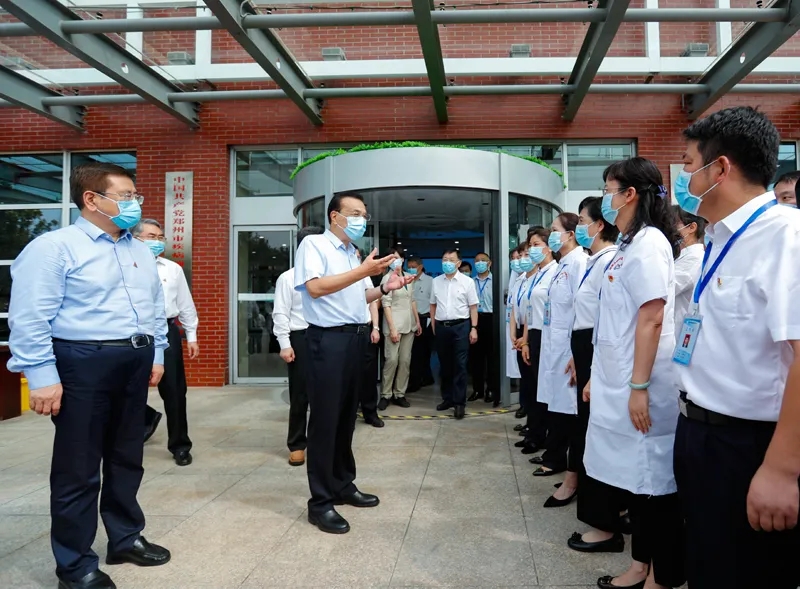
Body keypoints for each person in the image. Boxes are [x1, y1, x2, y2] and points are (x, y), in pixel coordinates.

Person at [7, 162, 171, 589]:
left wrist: (157, 353)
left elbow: (154, 307)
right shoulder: (54, 247)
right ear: (92, 199)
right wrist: (41, 375)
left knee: (126, 457)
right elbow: (29, 317)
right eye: (126, 196)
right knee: (78, 468)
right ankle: (76, 565)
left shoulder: (139, 250)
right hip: (83, 361)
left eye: (136, 196)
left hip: (135, 359)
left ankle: (125, 538)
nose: (135, 203)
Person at [673, 106, 800, 589]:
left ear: (720, 168)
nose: (684, 179)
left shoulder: (785, 236)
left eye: (689, 164)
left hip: (750, 447)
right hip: (701, 435)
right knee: (708, 567)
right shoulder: (718, 238)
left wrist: (782, 469)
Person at [581, 157, 685, 589]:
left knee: (654, 484)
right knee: (635, 485)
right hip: (618, 379)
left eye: (609, 190)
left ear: (630, 194)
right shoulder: (628, 244)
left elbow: (651, 317)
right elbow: (612, 322)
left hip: (643, 384)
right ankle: (640, 566)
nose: (605, 198)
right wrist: (597, 374)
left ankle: (662, 577)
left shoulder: (650, 243)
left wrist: (638, 386)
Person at [294, 194, 412, 534]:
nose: (361, 219)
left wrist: (384, 287)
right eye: (355, 213)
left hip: (355, 338)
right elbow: (315, 288)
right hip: (327, 340)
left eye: (364, 214)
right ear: (335, 216)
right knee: (325, 421)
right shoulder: (314, 246)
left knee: (347, 418)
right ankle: (320, 502)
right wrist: (363, 271)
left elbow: (358, 296)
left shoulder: (352, 253)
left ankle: (342, 484)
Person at [565, 197, 624, 549]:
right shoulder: (595, 260)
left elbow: (608, 319)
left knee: (595, 433)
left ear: (599, 225)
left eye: (582, 220)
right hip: (586, 347)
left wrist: (593, 366)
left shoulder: (610, 262)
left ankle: (605, 523)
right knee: (587, 430)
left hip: (597, 349)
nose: (578, 228)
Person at [134, 220, 199, 467]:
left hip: (167, 331)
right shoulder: (124, 265)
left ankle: (180, 445)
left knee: (174, 391)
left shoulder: (172, 269)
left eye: (161, 237)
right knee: (127, 386)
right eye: (152, 236)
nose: (158, 241)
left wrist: (191, 336)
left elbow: (185, 303)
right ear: (136, 238)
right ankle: (141, 423)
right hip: (132, 332)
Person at [530, 215, 588, 493]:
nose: (552, 235)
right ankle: (563, 464)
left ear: (570, 234)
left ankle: (574, 474)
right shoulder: (562, 265)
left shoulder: (579, 263)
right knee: (559, 411)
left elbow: (582, 311)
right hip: (554, 348)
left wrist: (577, 354)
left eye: (555, 231)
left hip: (568, 351)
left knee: (571, 415)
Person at [273, 226, 325, 467]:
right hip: (301, 338)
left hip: (328, 336)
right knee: (300, 394)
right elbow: (280, 313)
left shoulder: (330, 277)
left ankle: (321, 444)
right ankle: (297, 445)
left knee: (326, 394)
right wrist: (285, 344)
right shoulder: (288, 277)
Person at [514, 233, 558, 454]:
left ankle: (544, 437)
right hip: (533, 334)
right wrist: (525, 340)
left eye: (536, 245)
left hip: (548, 335)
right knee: (533, 388)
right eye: (530, 245)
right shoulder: (536, 275)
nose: (531, 250)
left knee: (544, 390)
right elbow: (528, 311)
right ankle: (534, 433)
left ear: (549, 247)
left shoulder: (555, 272)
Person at [430, 249, 479, 419]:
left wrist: (474, 328)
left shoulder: (467, 282)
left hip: (461, 326)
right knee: (445, 365)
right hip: (442, 327)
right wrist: (434, 325)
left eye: (451, 260)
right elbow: (433, 305)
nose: (447, 263)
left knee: (460, 365)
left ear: (458, 263)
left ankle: (459, 403)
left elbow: (473, 307)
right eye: (444, 259)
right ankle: (448, 398)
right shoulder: (436, 281)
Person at [379, 248, 421, 410]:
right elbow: (386, 304)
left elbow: (412, 300)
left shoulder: (409, 277)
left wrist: (417, 321)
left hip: (409, 325)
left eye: (397, 258)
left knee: (405, 361)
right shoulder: (387, 278)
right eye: (391, 259)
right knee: (391, 360)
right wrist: (392, 328)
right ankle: (386, 394)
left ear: (403, 260)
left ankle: (399, 393)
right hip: (394, 325)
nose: (395, 261)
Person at [355, 247, 385, 428]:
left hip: (365, 330)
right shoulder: (338, 276)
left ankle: (370, 413)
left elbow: (373, 303)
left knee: (369, 375)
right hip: (345, 332)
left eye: (359, 257)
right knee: (347, 376)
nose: (357, 259)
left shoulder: (365, 277)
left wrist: (375, 328)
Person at [672, 206, 706, 336]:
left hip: (679, 333)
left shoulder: (694, 259)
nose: (669, 228)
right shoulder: (680, 256)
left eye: (674, 224)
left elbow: (664, 287)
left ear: (692, 227)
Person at [407, 257, 434, 392]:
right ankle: (423, 378)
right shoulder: (407, 280)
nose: (411, 269)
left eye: (414, 266)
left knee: (421, 353)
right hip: (410, 319)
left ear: (421, 266)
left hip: (425, 320)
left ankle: (418, 381)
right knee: (412, 352)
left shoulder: (430, 281)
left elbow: (434, 302)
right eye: (409, 266)